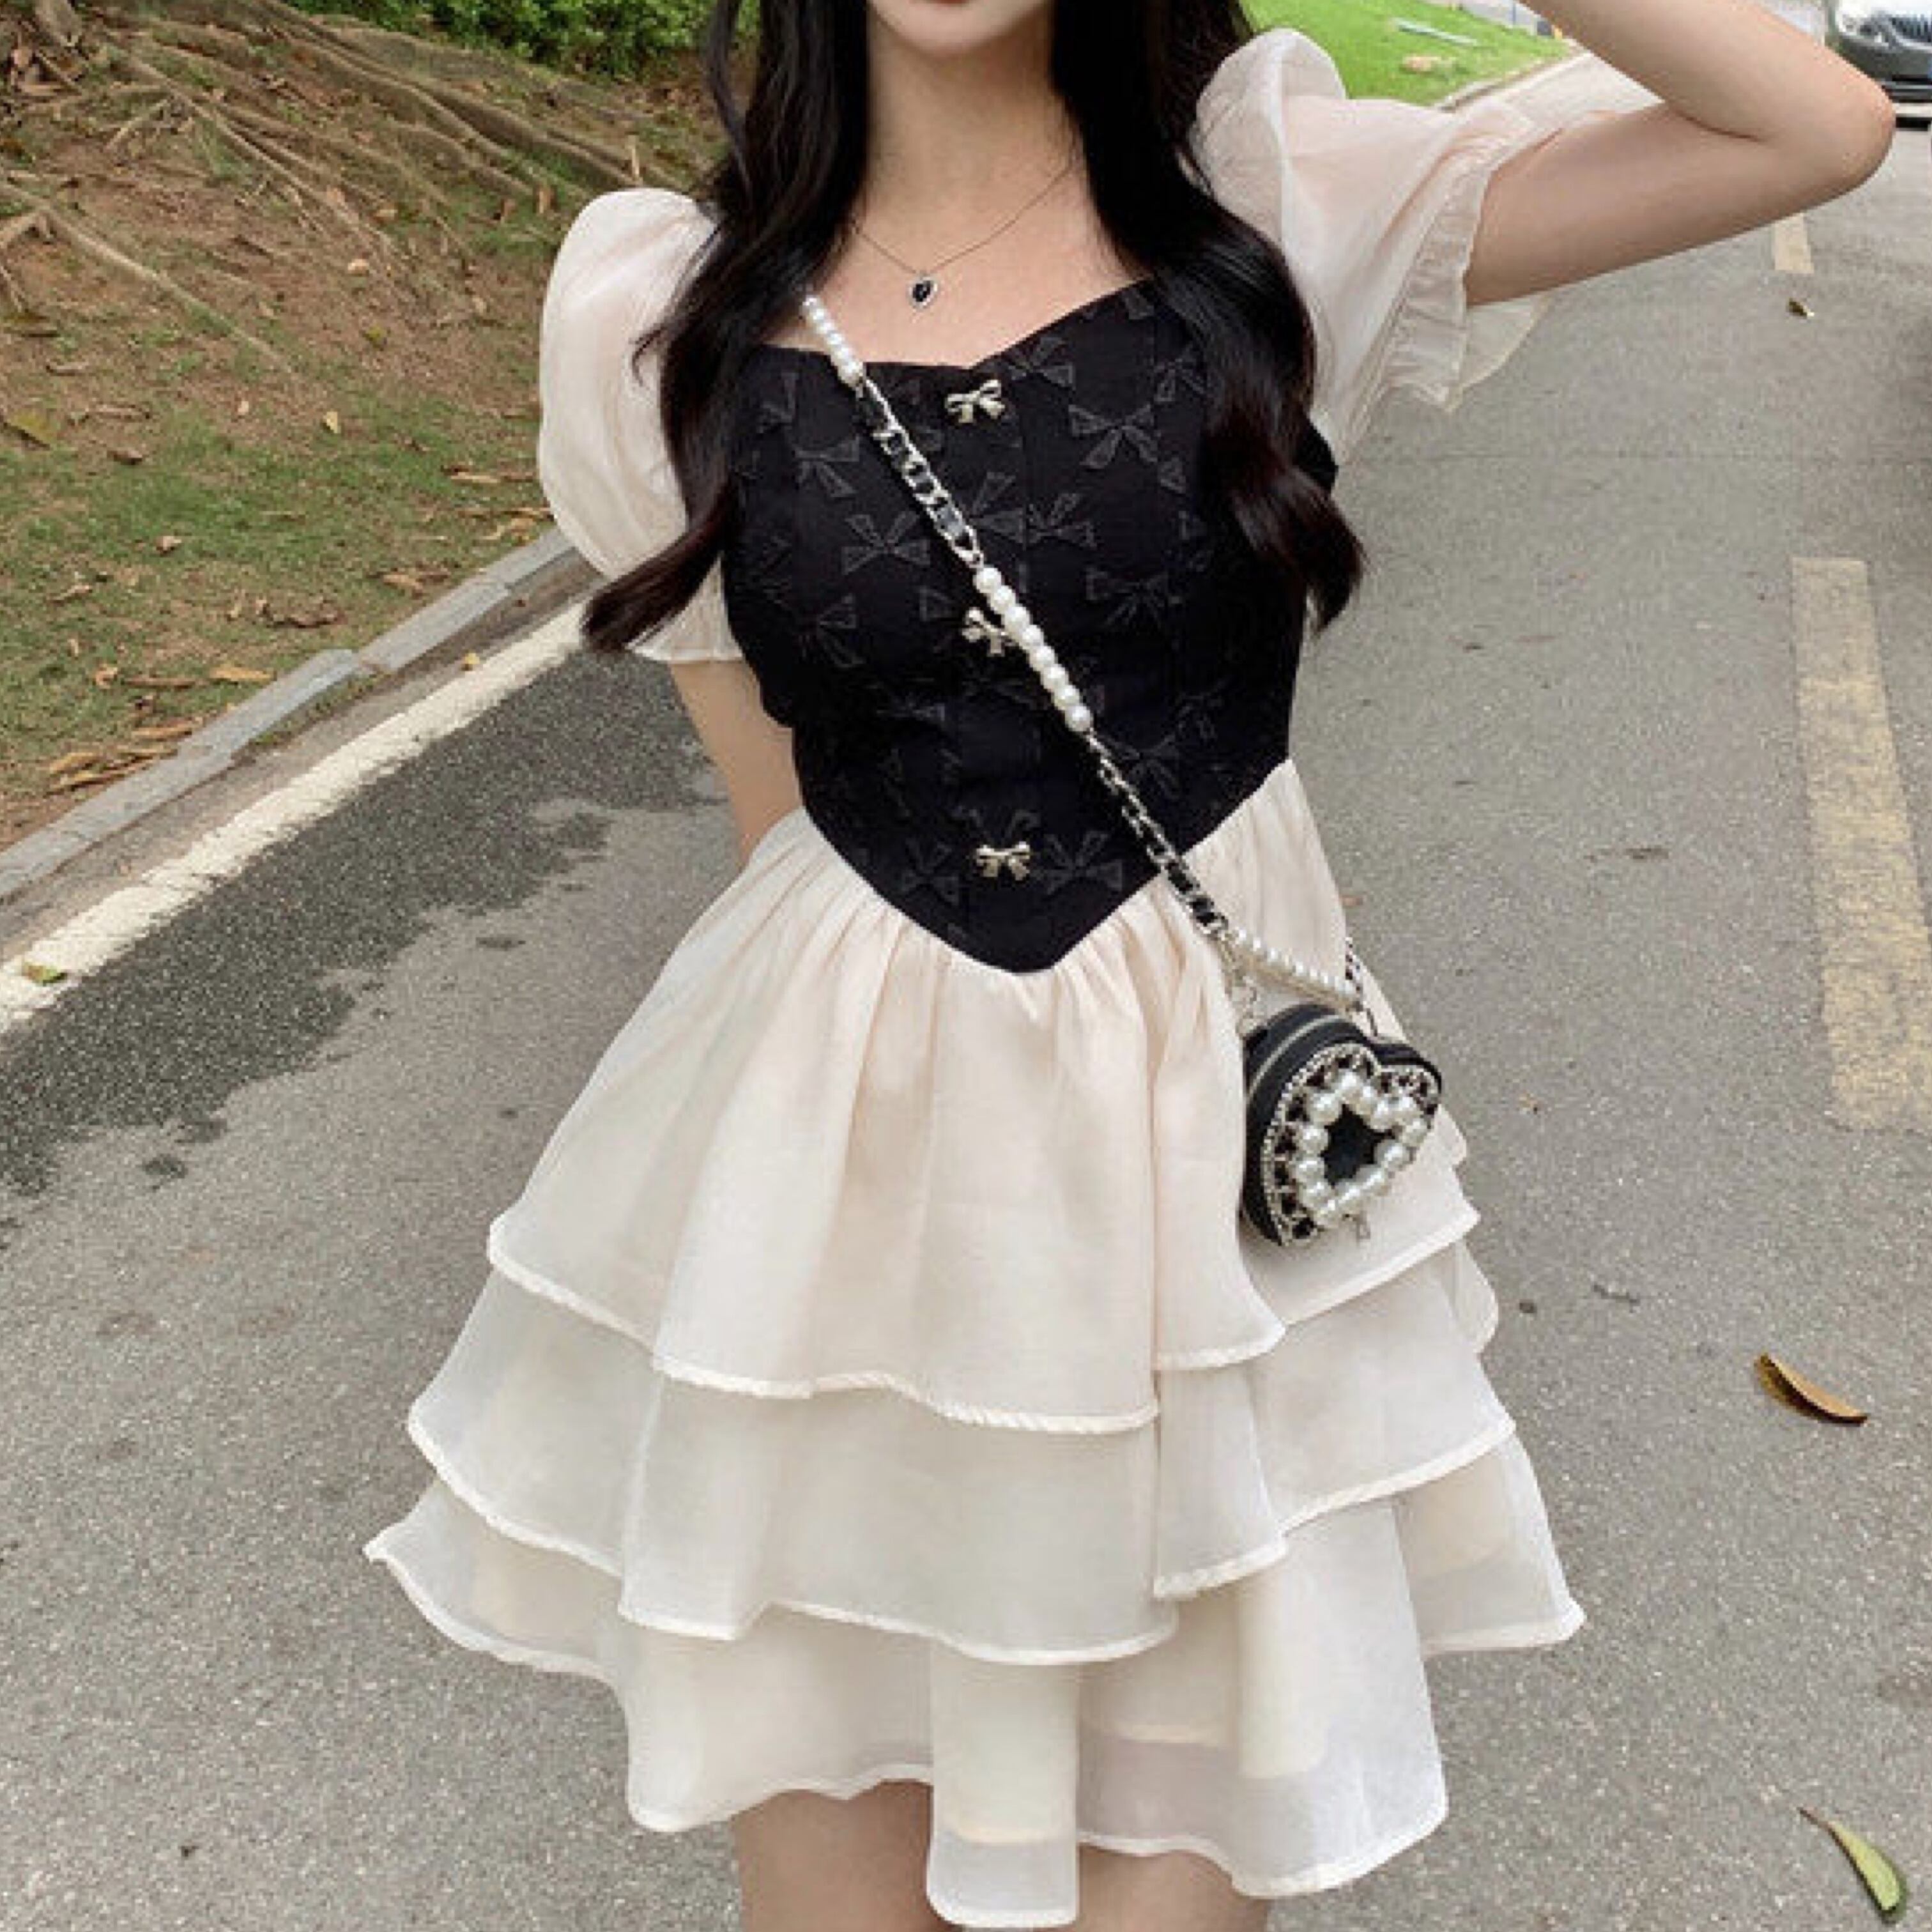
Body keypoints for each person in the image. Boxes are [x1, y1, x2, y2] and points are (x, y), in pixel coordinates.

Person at [361, 3, 1891, 1928]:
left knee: (1179, 1864)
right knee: (836, 1847)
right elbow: (778, 820)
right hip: (845, 1202)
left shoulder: (1273, 206)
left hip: (1190, 1200)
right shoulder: (655, 312)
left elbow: (1811, 129)